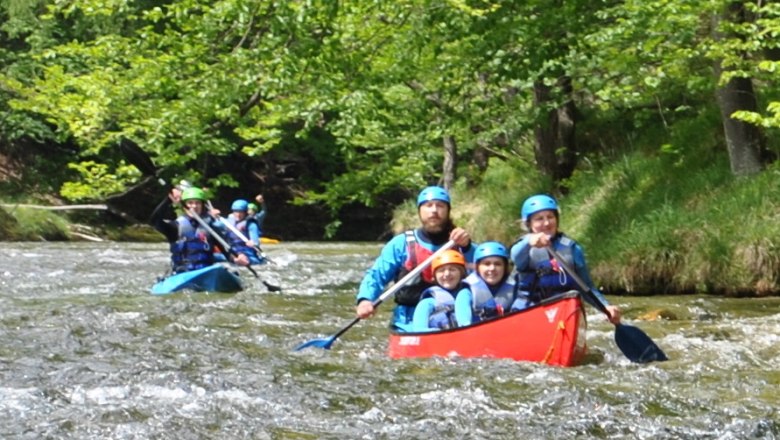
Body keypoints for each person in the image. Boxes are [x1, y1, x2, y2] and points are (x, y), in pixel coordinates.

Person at [355, 185, 476, 331]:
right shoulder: (401, 244)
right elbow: (376, 276)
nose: (434, 210)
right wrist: (365, 299)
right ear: (419, 211)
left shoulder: (461, 244)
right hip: (408, 323)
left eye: (440, 205)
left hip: (454, 320)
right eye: (428, 205)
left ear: (448, 211)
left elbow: (486, 272)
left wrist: (468, 247)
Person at [510, 194, 621, 323]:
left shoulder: (573, 249)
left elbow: (586, 287)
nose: (546, 223)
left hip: (565, 313)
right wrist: (530, 241)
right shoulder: (524, 248)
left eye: (550, 217)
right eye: (539, 219)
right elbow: (514, 255)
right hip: (531, 312)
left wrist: (605, 307)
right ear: (529, 224)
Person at [150, 186, 248, 274]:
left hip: (206, 271)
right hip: (182, 273)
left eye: (198, 203)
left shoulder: (211, 228)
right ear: (184, 206)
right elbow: (154, 220)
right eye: (190, 203)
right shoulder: (176, 227)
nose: (194, 206)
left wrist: (237, 258)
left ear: (202, 205)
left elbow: (226, 250)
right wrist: (168, 199)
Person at [454, 241, 520, 326]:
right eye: (487, 264)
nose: (492, 268)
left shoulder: (516, 289)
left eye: (498, 264)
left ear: (505, 267)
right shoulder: (466, 293)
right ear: (477, 267)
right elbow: (464, 324)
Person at [411, 250, 470, 332]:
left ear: (461, 273)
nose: (447, 274)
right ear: (435, 277)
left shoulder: (471, 295)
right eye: (441, 270)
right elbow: (419, 330)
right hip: (440, 341)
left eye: (452, 269)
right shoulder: (427, 303)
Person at [223, 198, 263, 265]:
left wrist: (253, 243)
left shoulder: (251, 224)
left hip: (248, 254)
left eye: (240, 212)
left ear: (245, 212)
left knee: (242, 259)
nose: (238, 214)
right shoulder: (228, 222)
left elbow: (255, 241)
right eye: (236, 211)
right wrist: (212, 217)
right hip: (232, 253)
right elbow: (215, 226)